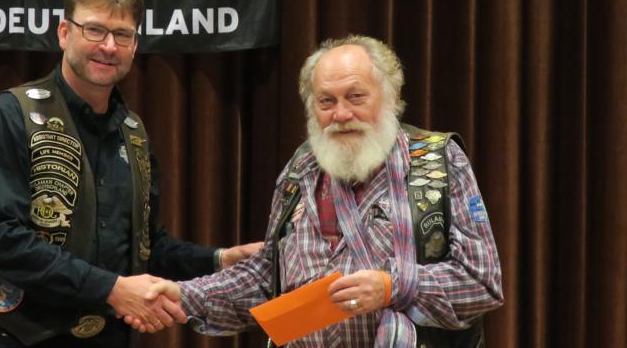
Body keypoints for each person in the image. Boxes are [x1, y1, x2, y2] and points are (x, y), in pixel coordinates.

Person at [141, 35, 504, 347]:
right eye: (326, 101)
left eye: (356, 97)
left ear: (390, 97)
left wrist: (392, 287)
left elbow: (481, 282)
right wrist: (186, 296)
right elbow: (267, 276)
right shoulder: (300, 170)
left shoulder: (439, 163)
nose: (341, 114)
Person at [0, 0, 261, 347]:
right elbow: (0, 239)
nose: (108, 46)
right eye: (94, 30)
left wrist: (219, 259)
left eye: (122, 35)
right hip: (22, 339)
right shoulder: (9, 116)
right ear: (64, 33)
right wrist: (111, 289)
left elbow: (146, 248)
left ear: (134, 46)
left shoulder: (133, 134)